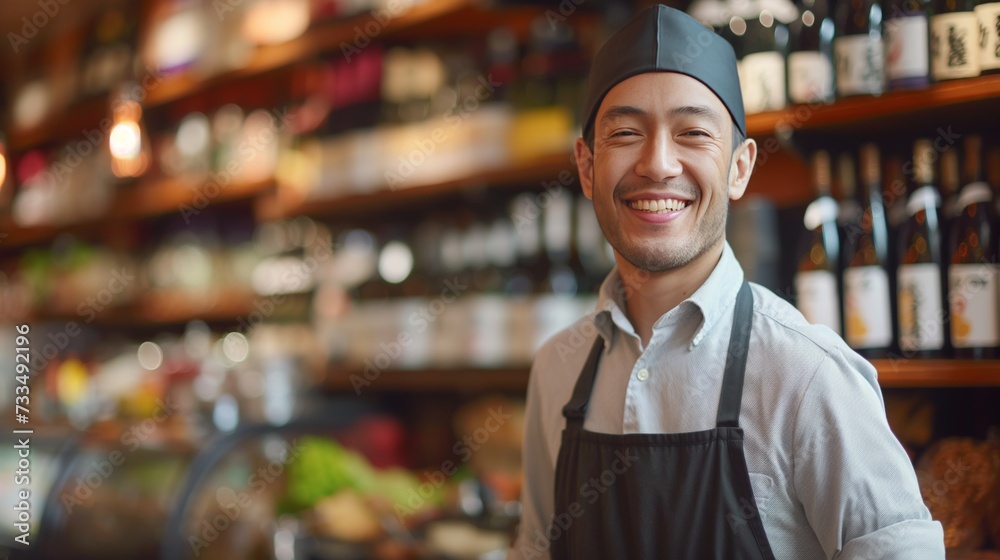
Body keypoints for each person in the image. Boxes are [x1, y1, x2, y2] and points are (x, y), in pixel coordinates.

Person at [506, 5, 945, 560]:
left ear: (739, 168)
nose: (658, 164)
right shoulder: (557, 370)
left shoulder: (807, 377)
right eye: (624, 132)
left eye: (692, 132)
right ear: (588, 168)